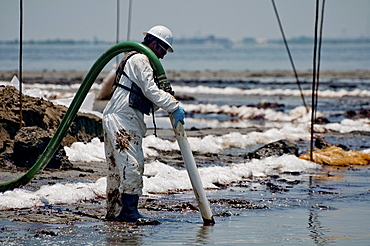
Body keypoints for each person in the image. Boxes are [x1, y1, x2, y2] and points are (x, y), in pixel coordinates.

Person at [102, 25, 185, 222]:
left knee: (116, 168)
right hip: (123, 118)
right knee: (132, 164)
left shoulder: (137, 59)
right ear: (155, 44)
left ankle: (114, 212)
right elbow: (151, 91)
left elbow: (148, 98)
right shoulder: (140, 59)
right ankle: (129, 212)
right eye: (163, 51)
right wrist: (174, 105)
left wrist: (165, 102)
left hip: (120, 116)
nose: (163, 57)